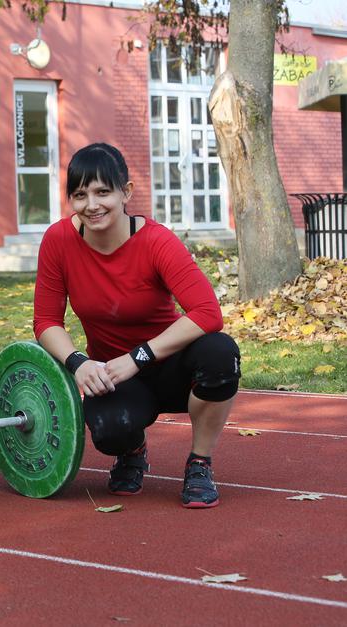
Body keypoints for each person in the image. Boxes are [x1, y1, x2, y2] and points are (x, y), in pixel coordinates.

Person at [33, 143, 240, 508]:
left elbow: (208, 312)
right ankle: (132, 451)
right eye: (80, 195)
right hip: (114, 375)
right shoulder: (58, 240)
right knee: (109, 430)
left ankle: (199, 463)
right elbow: (46, 321)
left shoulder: (156, 240)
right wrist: (78, 363)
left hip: (171, 366)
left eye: (102, 192)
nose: (92, 204)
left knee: (220, 354)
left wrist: (139, 356)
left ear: (125, 192)